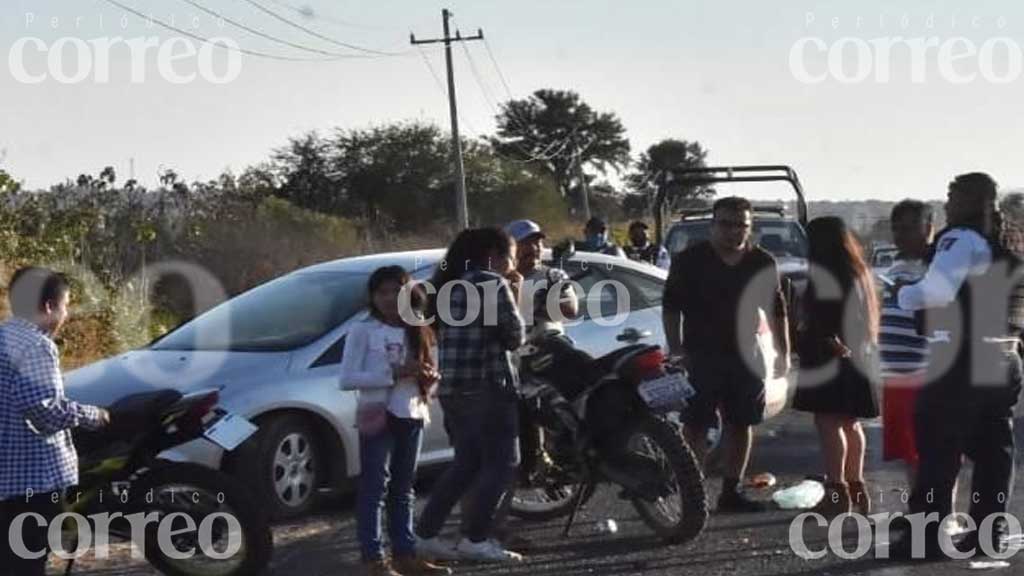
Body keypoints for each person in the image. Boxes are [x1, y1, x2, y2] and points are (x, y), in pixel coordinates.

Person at [891, 173, 1024, 560]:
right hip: (1004, 358)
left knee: (937, 451)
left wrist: (904, 295)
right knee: (993, 453)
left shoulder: (959, 238)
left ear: (967, 199)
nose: (947, 202)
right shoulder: (1007, 242)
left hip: (959, 362)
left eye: (952, 194)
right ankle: (988, 532)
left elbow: (936, 292)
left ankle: (927, 537)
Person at [662, 196, 790, 513]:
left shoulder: (761, 262)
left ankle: (731, 492)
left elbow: (776, 309)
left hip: (747, 355)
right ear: (713, 225)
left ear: (750, 227)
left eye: (741, 225)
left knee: (741, 424)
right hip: (701, 355)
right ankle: (692, 493)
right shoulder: (690, 260)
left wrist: (783, 351)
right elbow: (671, 308)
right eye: (726, 224)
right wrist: (676, 349)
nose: (734, 231)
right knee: (695, 426)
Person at [414, 228, 526, 563]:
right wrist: (516, 292)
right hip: (488, 386)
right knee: (504, 463)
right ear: (494, 253)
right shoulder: (492, 284)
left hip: (453, 389)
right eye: (512, 255)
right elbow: (514, 336)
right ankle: (476, 537)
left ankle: (426, 534)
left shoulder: (448, 285)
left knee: (465, 464)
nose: (513, 263)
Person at [340, 266, 450, 576]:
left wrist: (428, 378)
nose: (389, 299)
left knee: (404, 488)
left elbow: (433, 373)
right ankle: (373, 558)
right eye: (382, 292)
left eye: (395, 292)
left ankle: (405, 553)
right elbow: (347, 378)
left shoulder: (418, 328)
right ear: (373, 297)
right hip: (377, 413)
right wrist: (392, 374)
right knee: (374, 487)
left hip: (411, 411)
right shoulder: (363, 330)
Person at [1, 267, 110, 576]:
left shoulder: (4, 335)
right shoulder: (36, 345)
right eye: (65, 305)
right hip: (30, 480)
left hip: (6, 477)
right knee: (25, 561)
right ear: (49, 307)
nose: (66, 314)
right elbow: (45, 411)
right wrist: (94, 415)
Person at [792, 217, 881, 518]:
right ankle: (857, 487)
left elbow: (825, 321)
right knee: (850, 423)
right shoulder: (859, 272)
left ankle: (836, 491)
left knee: (828, 423)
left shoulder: (825, 275)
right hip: (858, 355)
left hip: (830, 356)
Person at [879, 201, 934, 479]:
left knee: (931, 452)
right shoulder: (896, 265)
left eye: (910, 228)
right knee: (907, 452)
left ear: (929, 228)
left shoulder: (936, 267)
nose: (901, 235)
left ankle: (937, 515)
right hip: (895, 375)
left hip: (923, 374)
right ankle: (918, 512)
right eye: (896, 228)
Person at [505, 219, 579, 338]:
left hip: (549, 347)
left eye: (537, 243)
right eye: (527, 243)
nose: (534, 248)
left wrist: (535, 306)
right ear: (511, 248)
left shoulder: (553, 276)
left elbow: (569, 310)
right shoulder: (500, 279)